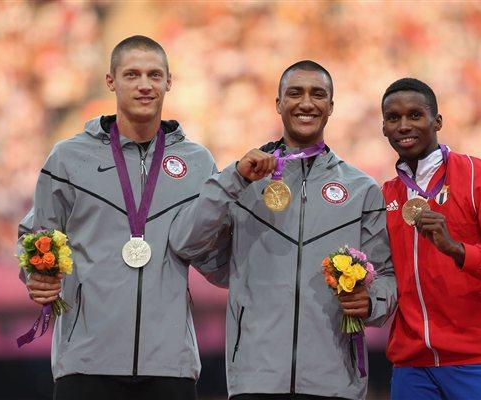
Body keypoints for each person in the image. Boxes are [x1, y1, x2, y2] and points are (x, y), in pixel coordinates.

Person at [170, 60, 397, 399]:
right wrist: (235, 177)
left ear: (331, 106)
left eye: (317, 94)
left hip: (335, 380)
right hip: (256, 379)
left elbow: (386, 276)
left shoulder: (361, 189)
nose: (306, 103)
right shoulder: (243, 180)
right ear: (278, 103)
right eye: (295, 93)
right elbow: (186, 242)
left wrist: (371, 302)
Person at [18, 35, 224, 400]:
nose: (144, 85)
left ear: (168, 82)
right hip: (86, 362)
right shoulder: (68, 157)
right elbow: (35, 237)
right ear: (111, 81)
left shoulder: (198, 163)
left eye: (154, 75)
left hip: (170, 365)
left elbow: (213, 255)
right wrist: (35, 274)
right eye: (132, 74)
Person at [380, 77, 481, 399]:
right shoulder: (385, 195)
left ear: (437, 121)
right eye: (393, 118)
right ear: (383, 128)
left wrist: (458, 250)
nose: (404, 125)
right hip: (410, 370)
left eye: (415, 115)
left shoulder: (480, 178)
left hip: (477, 363)